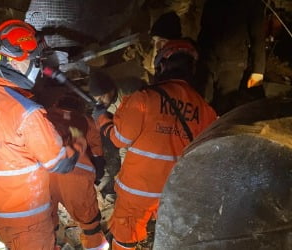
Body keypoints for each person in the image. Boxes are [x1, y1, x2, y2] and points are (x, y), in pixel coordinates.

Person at [0, 19, 85, 250]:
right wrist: (77, 139)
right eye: (34, 61)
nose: (38, 67)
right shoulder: (27, 113)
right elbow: (60, 164)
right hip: (27, 219)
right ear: (14, 59)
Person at [92, 24, 217, 250]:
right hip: (174, 190)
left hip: (138, 190)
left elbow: (120, 138)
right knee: (168, 235)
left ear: (161, 65)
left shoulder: (144, 99)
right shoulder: (205, 110)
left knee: (124, 235)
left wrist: (102, 119)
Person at [47, 94, 109, 250]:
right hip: (75, 177)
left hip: (45, 176)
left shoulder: (45, 116)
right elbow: (97, 151)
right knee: (90, 222)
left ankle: (54, 244)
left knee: (48, 222)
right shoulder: (85, 121)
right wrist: (97, 171)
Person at [197, 0, 266, 115]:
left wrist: (258, 71)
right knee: (202, 105)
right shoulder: (212, 2)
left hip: (232, 64)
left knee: (223, 108)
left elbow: (258, 37)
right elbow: (204, 28)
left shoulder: (252, 3)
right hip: (208, 61)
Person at [88, 72, 146, 199]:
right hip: (125, 131)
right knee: (125, 155)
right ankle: (128, 187)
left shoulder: (129, 91)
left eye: (102, 97)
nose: (100, 102)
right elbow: (95, 125)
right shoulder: (102, 102)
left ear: (111, 89)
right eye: (96, 99)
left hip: (142, 126)